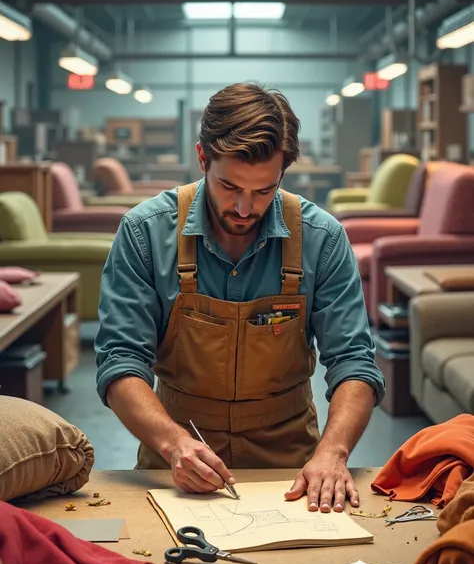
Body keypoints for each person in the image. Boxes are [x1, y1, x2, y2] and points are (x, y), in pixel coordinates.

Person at [95, 82, 385, 512]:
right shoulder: (146, 233)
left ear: (282, 173)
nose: (246, 209)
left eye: (264, 191)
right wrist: (174, 444)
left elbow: (354, 361)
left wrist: (333, 453)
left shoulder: (322, 238)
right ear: (202, 158)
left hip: (292, 468)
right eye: (230, 187)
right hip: (174, 462)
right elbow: (120, 362)